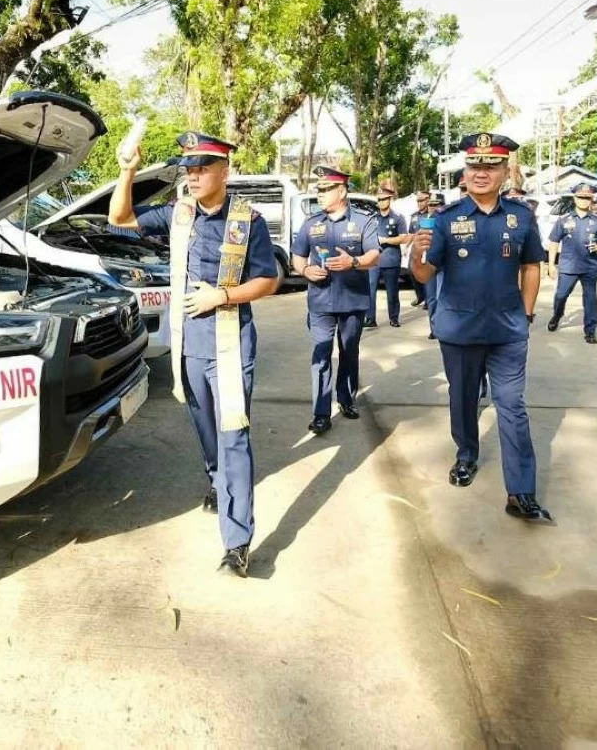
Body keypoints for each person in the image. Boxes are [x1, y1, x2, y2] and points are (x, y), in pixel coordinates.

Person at [108, 131, 279, 576]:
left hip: (229, 342)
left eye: (204, 167)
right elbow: (120, 218)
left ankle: (237, 541)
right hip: (189, 346)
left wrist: (221, 296)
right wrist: (127, 169)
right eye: (190, 168)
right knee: (206, 431)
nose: (195, 175)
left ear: (225, 170)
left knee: (234, 435)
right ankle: (216, 480)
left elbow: (268, 280)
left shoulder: (248, 220)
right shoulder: (179, 214)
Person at [411, 132, 552, 523]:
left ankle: (521, 490)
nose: (481, 173)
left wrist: (526, 315)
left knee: (512, 406)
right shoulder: (445, 220)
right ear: (464, 172)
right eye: (474, 165)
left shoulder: (521, 217)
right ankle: (466, 454)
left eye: (490, 166)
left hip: (508, 329)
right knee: (463, 399)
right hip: (459, 328)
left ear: (505, 172)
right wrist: (415, 249)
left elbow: (530, 266)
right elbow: (424, 273)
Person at [292, 166, 381, 434]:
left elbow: (374, 255)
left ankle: (346, 398)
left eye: (325, 189)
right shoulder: (311, 223)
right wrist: (306, 270)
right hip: (319, 302)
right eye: (318, 190)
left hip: (352, 301)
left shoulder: (364, 221)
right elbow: (296, 257)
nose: (319, 194)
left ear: (341, 191)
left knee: (348, 352)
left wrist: (353, 261)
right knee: (321, 354)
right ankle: (321, 413)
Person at [547, 183, 597, 343]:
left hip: (590, 266)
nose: (584, 201)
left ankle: (590, 330)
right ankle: (557, 315)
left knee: (590, 298)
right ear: (575, 198)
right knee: (561, 295)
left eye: (587, 198)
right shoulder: (564, 220)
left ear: (591, 200)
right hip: (568, 266)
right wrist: (551, 265)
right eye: (581, 197)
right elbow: (553, 242)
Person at [370, 185, 407, 328]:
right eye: (379, 199)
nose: (381, 202)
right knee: (370, 289)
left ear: (389, 200)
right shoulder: (373, 218)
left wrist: (385, 240)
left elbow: (403, 237)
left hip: (391, 259)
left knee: (392, 291)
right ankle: (370, 318)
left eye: (384, 199)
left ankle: (394, 317)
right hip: (374, 260)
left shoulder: (398, 218)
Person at [425, 191, 446, 340]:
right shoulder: (424, 221)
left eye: (437, 205)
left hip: (445, 264)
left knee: (442, 297)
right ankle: (434, 329)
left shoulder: (449, 220)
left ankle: (443, 327)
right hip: (429, 263)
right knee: (432, 298)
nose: (433, 208)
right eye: (431, 205)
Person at [408, 190, 432, 308]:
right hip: (416, 248)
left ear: (428, 200)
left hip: (427, 247)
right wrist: (406, 246)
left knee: (426, 272)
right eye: (418, 200)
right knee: (411, 271)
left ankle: (428, 299)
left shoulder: (431, 214)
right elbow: (411, 233)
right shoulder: (414, 216)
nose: (419, 203)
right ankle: (420, 296)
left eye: (421, 200)